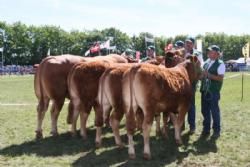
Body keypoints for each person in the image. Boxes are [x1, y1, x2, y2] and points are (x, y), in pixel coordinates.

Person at [200, 45, 225, 138]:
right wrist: (201, 76)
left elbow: (220, 79)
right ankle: (206, 129)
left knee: (214, 111)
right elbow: (202, 75)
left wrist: (209, 75)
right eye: (209, 52)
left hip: (213, 92)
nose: (209, 53)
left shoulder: (220, 64)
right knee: (204, 111)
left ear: (217, 54)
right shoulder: (206, 62)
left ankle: (216, 130)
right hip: (204, 90)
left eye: (211, 52)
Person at [184, 37, 204, 134]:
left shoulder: (197, 54)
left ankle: (192, 126)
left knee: (191, 104)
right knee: (181, 103)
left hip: (191, 82)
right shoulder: (181, 53)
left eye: (190, 43)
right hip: (181, 81)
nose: (188, 45)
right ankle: (181, 124)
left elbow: (201, 66)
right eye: (186, 43)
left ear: (193, 44)